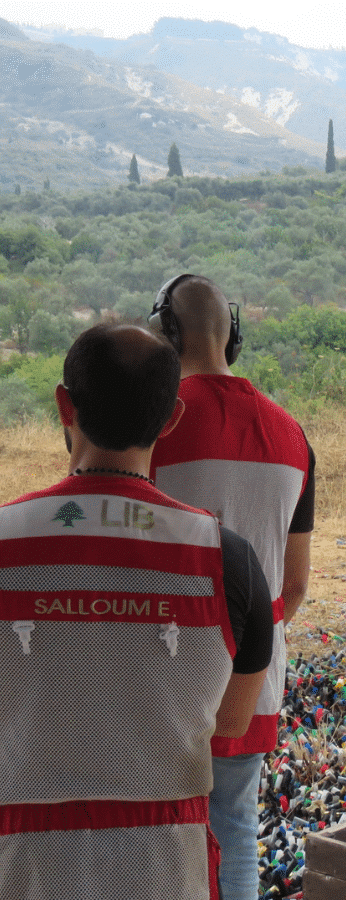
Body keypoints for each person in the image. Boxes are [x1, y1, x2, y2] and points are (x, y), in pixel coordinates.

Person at [0, 323, 273, 900]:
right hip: (165, 868)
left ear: (63, 406)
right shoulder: (228, 561)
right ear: (171, 419)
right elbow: (229, 724)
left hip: (20, 865)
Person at [148, 274, 315, 900]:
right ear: (232, 335)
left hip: (164, 669)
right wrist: (247, 642)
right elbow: (294, 585)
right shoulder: (293, 435)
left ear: (168, 335)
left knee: (157, 836)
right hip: (254, 672)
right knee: (237, 830)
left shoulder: (155, 425)